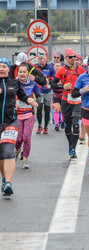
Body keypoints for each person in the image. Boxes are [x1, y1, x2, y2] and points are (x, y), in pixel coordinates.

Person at [0, 58, 37, 196]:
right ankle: (4, 179)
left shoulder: (14, 83)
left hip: (10, 122)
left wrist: (29, 100)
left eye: (4, 66)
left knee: (9, 151)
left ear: (9, 69)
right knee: (1, 154)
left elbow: (22, 95)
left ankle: (8, 183)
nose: (1, 68)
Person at [51, 48, 85, 159]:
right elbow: (53, 84)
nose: (73, 59)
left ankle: (73, 148)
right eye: (70, 57)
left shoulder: (81, 70)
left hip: (77, 101)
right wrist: (62, 86)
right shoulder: (61, 70)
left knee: (76, 124)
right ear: (65, 58)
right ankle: (70, 144)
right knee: (68, 125)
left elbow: (87, 81)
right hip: (65, 101)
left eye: (74, 57)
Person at [15, 63, 41, 168]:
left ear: (27, 73)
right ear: (18, 73)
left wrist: (37, 104)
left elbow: (39, 96)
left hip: (29, 115)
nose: (22, 74)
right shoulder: (14, 83)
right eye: (20, 72)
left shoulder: (33, 84)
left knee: (26, 137)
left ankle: (25, 159)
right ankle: (17, 149)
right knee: (18, 139)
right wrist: (13, 103)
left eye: (24, 72)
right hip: (17, 115)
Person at [36, 56, 56, 134]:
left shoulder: (50, 68)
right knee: (39, 108)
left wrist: (49, 81)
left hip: (48, 91)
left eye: (43, 64)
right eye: (40, 64)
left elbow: (55, 77)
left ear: (45, 61)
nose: (41, 65)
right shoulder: (36, 67)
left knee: (47, 110)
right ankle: (39, 125)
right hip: (39, 91)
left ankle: (46, 127)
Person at [52, 61, 64, 131]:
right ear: (54, 67)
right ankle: (56, 124)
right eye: (56, 66)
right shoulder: (53, 75)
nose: (57, 67)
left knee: (62, 109)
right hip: (55, 94)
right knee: (56, 108)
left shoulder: (63, 74)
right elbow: (51, 84)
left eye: (58, 66)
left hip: (63, 94)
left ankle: (62, 121)